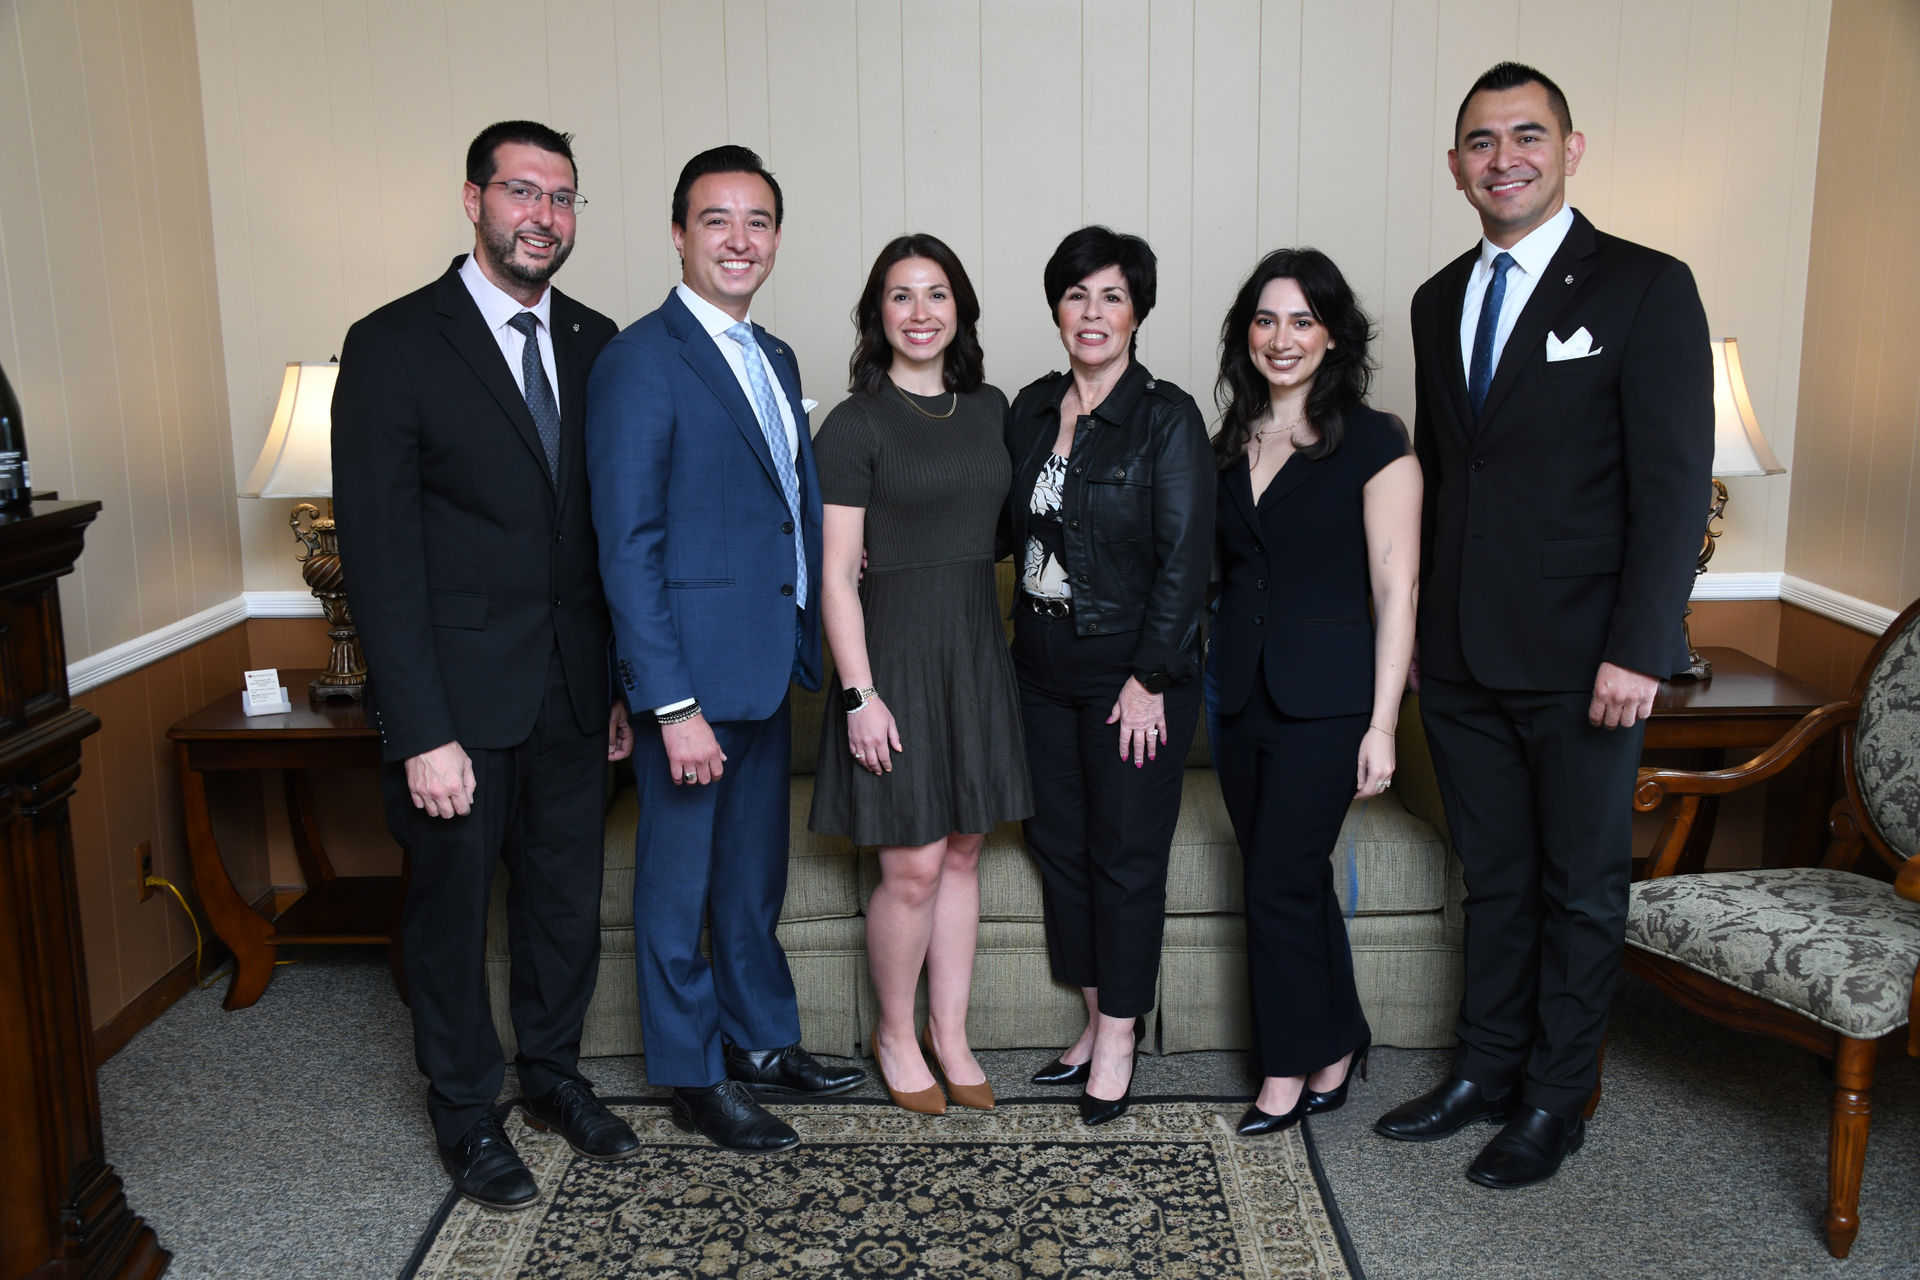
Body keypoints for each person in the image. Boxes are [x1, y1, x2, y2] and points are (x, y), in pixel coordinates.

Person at [1373, 63, 1712, 1188]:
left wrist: (1642, 642)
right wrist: (1417, 625)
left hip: (1587, 657)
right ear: (1456, 164)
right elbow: (1444, 478)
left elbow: (1672, 486)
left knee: (1580, 881)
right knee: (1498, 874)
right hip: (1461, 655)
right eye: (1481, 140)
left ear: (1573, 148)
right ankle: (1484, 1067)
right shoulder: (1435, 299)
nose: (1503, 156)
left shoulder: (1646, 288)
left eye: (1528, 134)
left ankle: (1557, 1098)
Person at [333, 120, 639, 1211]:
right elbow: (376, 554)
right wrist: (417, 726)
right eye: (523, 192)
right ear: (474, 200)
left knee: (562, 902)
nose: (544, 217)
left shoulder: (599, 341)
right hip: (455, 702)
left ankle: (553, 1076)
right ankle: (465, 1112)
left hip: (571, 687)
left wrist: (614, 684)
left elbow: (604, 530)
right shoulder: (393, 343)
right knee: (454, 916)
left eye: (563, 198)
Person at [585, 145, 864, 1154]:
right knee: (676, 884)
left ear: (776, 239)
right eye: (717, 220)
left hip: (764, 662)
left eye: (757, 222)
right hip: (689, 688)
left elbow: (780, 508)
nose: (739, 240)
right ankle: (693, 1071)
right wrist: (667, 701)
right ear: (678, 233)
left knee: (752, 874)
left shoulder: (776, 356)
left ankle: (759, 1040)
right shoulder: (638, 360)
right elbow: (628, 546)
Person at [809, 235, 1030, 1115]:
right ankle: (895, 1035)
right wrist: (860, 695)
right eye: (900, 297)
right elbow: (834, 575)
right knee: (913, 863)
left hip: (975, 646)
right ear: (878, 315)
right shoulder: (854, 424)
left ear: (959, 309)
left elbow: (1012, 522)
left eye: (936, 294)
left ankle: (952, 1031)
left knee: (966, 848)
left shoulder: (992, 408)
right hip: (891, 659)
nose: (920, 312)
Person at [1205, 249, 1421, 1137]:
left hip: (1330, 703)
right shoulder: (1227, 443)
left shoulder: (1375, 439)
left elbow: (1395, 588)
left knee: (1281, 884)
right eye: (1265, 319)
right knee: (1284, 878)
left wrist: (1383, 724)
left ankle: (1286, 1070)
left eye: (1301, 320)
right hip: (1237, 698)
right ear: (1245, 335)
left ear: (1332, 334)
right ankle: (1341, 1039)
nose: (1281, 338)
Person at [1002, 226, 1214, 1127]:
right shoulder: (1028, 407)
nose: (1093, 314)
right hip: (1038, 667)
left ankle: (1122, 1037)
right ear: (1057, 307)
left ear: (1138, 312)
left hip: (1132, 671)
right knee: (1061, 847)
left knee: (1126, 855)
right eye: (1078, 296)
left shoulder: (1168, 419)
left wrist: (1151, 677)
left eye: (1112, 297)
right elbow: (993, 525)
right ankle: (1094, 1020)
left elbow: (1186, 561)